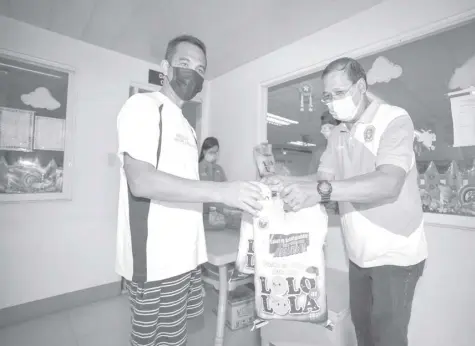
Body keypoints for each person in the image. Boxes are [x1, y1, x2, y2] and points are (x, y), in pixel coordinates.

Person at [265, 57, 427, 346]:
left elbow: (388, 183)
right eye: (327, 96)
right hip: (358, 255)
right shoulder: (338, 132)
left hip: (395, 253)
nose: (332, 102)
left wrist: (320, 191)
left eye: (339, 93)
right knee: (362, 329)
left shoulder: (393, 118)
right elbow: (321, 177)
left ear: (361, 86)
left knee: (388, 337)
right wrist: (286, 180)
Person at [115, 35, 264, 346]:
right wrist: (222, 192)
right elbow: (141, 181)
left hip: (186, 256)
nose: (193, 74)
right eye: (184, 64)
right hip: (154, 259)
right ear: (165, 68)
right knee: (152, 340)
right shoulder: (143, 106)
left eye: (200, 68)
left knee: (176, 337)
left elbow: (188, 189)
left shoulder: (187, 127)